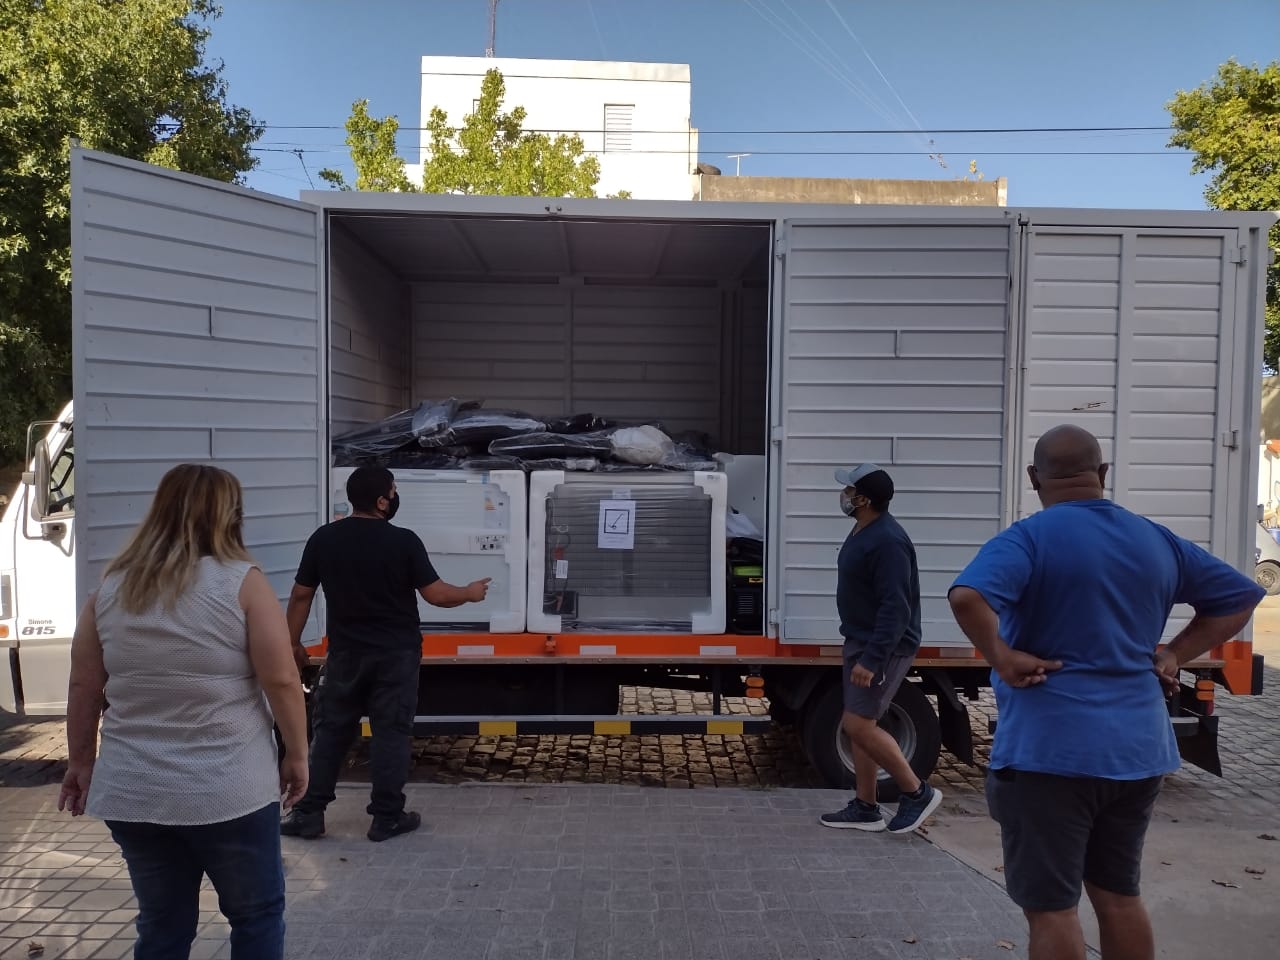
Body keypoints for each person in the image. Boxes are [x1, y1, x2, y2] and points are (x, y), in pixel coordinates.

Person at [948, 425, 1264, 960]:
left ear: (1034, 478)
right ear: (1102, 473)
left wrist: (1001, 656)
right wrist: (1174, 654)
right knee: (1118, 896)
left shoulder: (1028, 539)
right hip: (1137, 754)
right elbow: (1239, 596)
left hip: (1049, 756)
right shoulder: (1155, 539)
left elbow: (966, 597)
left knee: (1053, 909)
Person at [58, 464, 309, 960]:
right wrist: (297, 754)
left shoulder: (111, 589)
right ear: (231, 515)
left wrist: (81, 762)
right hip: (229, 789)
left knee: (163, 926)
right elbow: (281, 678)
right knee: (256, 916)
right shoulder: (243, 583)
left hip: (135, 791)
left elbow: (84, 686)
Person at [280, 466, 490, 843]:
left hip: (345, 655)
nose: (395, 497)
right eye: (392, 491)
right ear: (381, 501)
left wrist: (291, 643)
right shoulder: (403, 542)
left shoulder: (324, 538)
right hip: (396, 655)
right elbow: (437, 595)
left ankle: (308, 814)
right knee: (390, 733)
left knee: (330, 731)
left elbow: (300, 595)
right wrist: (470, 593)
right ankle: (386, 818)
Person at [820, 463, 942, 834]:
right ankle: (866, 807)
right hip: (862, 640)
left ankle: (916, 792)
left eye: (849, 490)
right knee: (861, 725)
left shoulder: (888, 542)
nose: (844, 495)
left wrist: (873, 659)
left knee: (857, 724)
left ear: (863, 499)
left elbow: (896, 608)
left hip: (882, 647)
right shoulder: (864, 529)